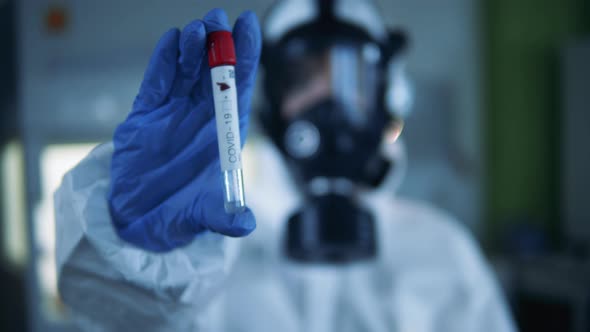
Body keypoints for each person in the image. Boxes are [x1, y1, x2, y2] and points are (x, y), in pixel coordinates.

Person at [54, 1, 516, 331]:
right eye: (303, 77)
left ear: (388, 98)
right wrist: (135, 256)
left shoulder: (442, 250)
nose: (328, 101)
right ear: (272, 105)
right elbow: (122, 320)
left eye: (353, 77)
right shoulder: (211, 246)